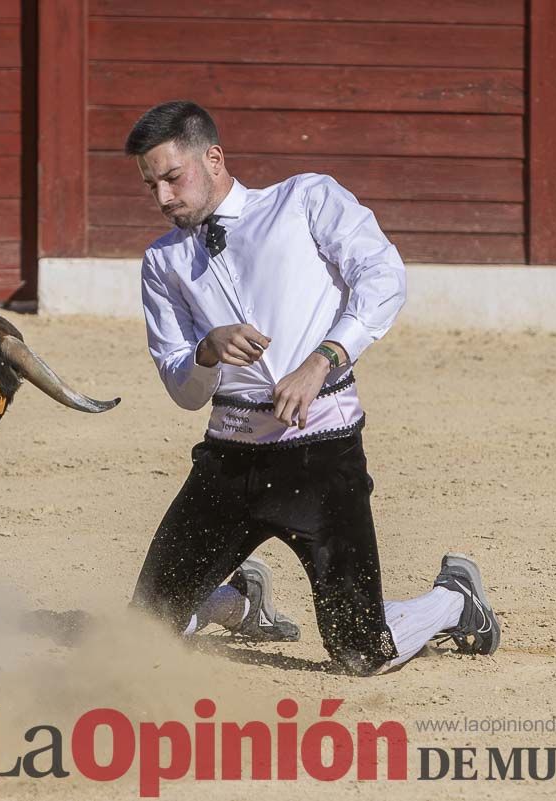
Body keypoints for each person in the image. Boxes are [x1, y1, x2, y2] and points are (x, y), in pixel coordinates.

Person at [125, 101, 500, 675]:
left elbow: (382, 276)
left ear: (215, 157)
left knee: (360, 652)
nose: (164, 198)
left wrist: (323, 358)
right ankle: (238, 599)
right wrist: (205, 349)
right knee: (144, 629)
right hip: (229, 462)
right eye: (152, 185)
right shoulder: (162, 260)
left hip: (320, 459)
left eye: (173, 177)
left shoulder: (304, 199)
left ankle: (453, 599)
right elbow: (184, 389)